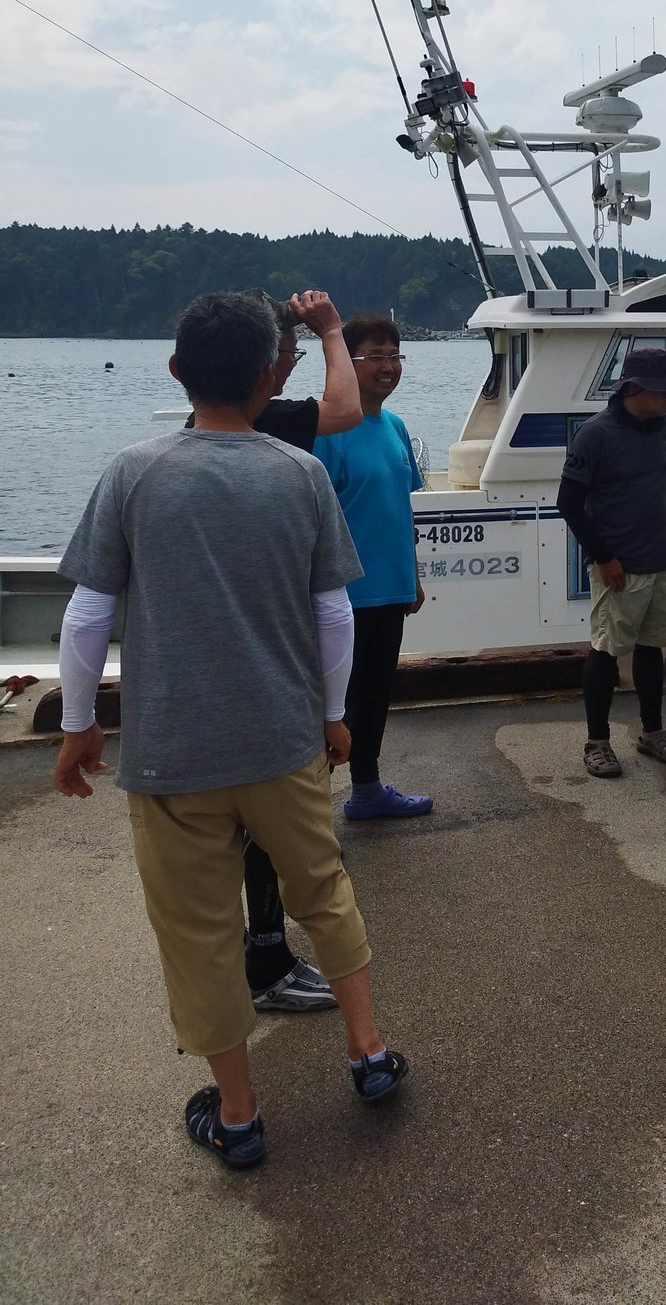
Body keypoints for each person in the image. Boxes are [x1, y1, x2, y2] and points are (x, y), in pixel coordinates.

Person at [53, 291, 406, 1171]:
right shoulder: (300, 474)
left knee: (198, 929)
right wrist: (334, 716)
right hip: (285, 741)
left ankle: (240, 1115)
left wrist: (79, 724)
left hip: (172, 755)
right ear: (266, 378)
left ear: (177, 370)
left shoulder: (133, 472)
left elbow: (87, 614)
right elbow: (335, 615)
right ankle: (367, 1052)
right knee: (323, 892)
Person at [236, 289, 363, 1015]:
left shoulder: (171, 449)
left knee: (225, 832)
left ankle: (243, 964)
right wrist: (332, 332)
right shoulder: (273, 432)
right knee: (274, 827)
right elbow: (344, 409)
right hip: (274, 666)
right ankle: (266, 961)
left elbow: (94, 601)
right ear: (269, 366)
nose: (291, 364)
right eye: (287, 353)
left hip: (217, 668)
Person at [313, 315, 431, 819]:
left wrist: (413, 575)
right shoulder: (327, 431)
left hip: (390, 588)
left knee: (377, 695)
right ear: (346, 361)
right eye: (376, 357)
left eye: (394, 356)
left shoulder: (396, 426)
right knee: (335, 706)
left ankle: (366, 791)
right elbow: (312, 517)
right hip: (343, 594)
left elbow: (400, 506)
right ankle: (306, 814)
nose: (388, 367)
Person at [557, 346, 666, 778]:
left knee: (652, 647)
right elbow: (569, 503)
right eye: (664, 390)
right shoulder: (595, 434)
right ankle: (596, 742)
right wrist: (603, 556)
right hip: (618, 565)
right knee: (606, 650)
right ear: (634, 388)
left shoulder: (662, 428)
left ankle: (652, 732)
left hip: (660, 560)